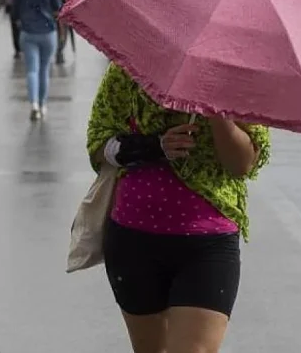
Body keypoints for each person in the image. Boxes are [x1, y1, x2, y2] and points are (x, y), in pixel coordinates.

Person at [87, 63, 271, 353]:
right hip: (134, 239)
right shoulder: (129, 69)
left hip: (208, 243)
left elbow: (242, 164)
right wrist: (153, 146)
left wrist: (217, 113)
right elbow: (98, 145)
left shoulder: (239, 78)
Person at [12, 0, 62, 120]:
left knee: (32, 70)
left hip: (28, 32)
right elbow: (57, 6)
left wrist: (19, 20)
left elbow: (15, 7)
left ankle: (33, 104)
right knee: (44, 69)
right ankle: (42, 104)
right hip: (48, 31)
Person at [40, 0, 76, 64]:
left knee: (49, 25)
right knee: (63, 27)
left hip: (48, 1)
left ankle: (50, 48)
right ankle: (60, 50)